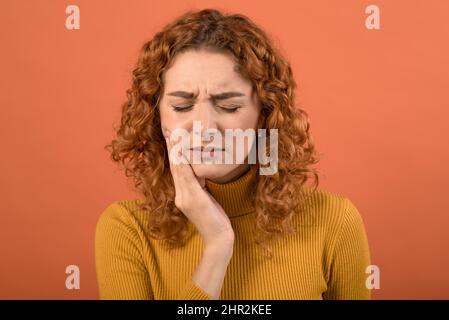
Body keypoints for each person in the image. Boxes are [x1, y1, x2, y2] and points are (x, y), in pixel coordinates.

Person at [95, 8, 371, 300]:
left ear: (264, 115)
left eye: (228, 106)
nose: (204, 127)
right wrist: (217, 246)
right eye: (181, 106)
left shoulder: (335, 222)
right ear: (157, 117)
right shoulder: (126, 229)